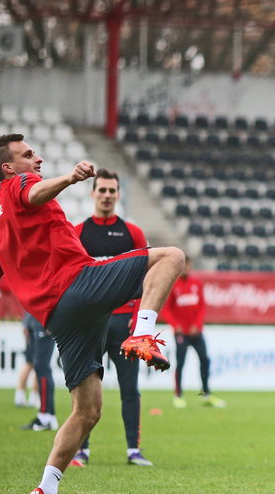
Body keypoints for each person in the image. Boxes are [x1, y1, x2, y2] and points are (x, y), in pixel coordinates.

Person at [0, 134, 184, 494]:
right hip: (76, 286)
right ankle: (143, 333)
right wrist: (68, 178)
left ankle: (45, 492)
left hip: (59, 319)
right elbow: (34, 194)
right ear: (8, 168)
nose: (37, 157)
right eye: (28, 155)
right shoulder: (18, 185)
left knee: (87, 411)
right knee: (171, 256)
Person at [70, 168, 154, 467]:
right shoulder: (77, 233)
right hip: (91, 324)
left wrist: (139, 315)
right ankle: (80, 450)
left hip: (123, 323)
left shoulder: (132, 233)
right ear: (92, 193)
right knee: (84, 389)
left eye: (111, 191)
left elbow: (148, 276)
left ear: (118, 194)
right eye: (101, 190)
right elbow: (72, 278)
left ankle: (133, 449)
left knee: (129, 388)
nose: (106, 196)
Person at [163, 256, 225, 409]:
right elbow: (166, 309)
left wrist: (197, 325)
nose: (186, 269)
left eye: (188, 266)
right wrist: (175, 325)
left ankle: (206, 394)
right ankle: (178, 395)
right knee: (181, 363)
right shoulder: (173, 285)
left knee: (205, 360)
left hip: (196, 332)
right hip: (181, 333)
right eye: (184, 266)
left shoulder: (196, 283)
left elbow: (202, 306)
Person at [19, 311, 59, 431]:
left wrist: (50, 320)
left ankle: (46, 415)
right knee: (39, 367)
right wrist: (27, 323)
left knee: (42, 368)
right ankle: (48, 415)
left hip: (44, 322)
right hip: (35, 322)